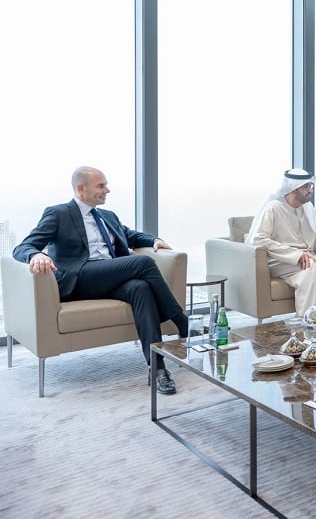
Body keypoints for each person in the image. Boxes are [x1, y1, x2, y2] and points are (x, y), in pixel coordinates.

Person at [12, 166, 188, 395]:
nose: (107, 190)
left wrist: (154, 239)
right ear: (81, 188)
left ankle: (157, 368)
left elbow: (130, 235)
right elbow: (23, 246)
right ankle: (180, 319)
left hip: (108, 277)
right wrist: (35, 254)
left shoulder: (107, 215)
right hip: (79, 279)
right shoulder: (58, 214)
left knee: (140, 287)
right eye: (101, 185)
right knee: (143, 263)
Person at [247, 169, 316, 317]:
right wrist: (296, 255)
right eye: (306, 187)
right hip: (280, 259)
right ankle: (311, 320)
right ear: (293, 189)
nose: (310, 191)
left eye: (311, 187)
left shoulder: (308, 208)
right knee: (312, 266)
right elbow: (258, 240)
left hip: (308, 257)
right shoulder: (274, 208)